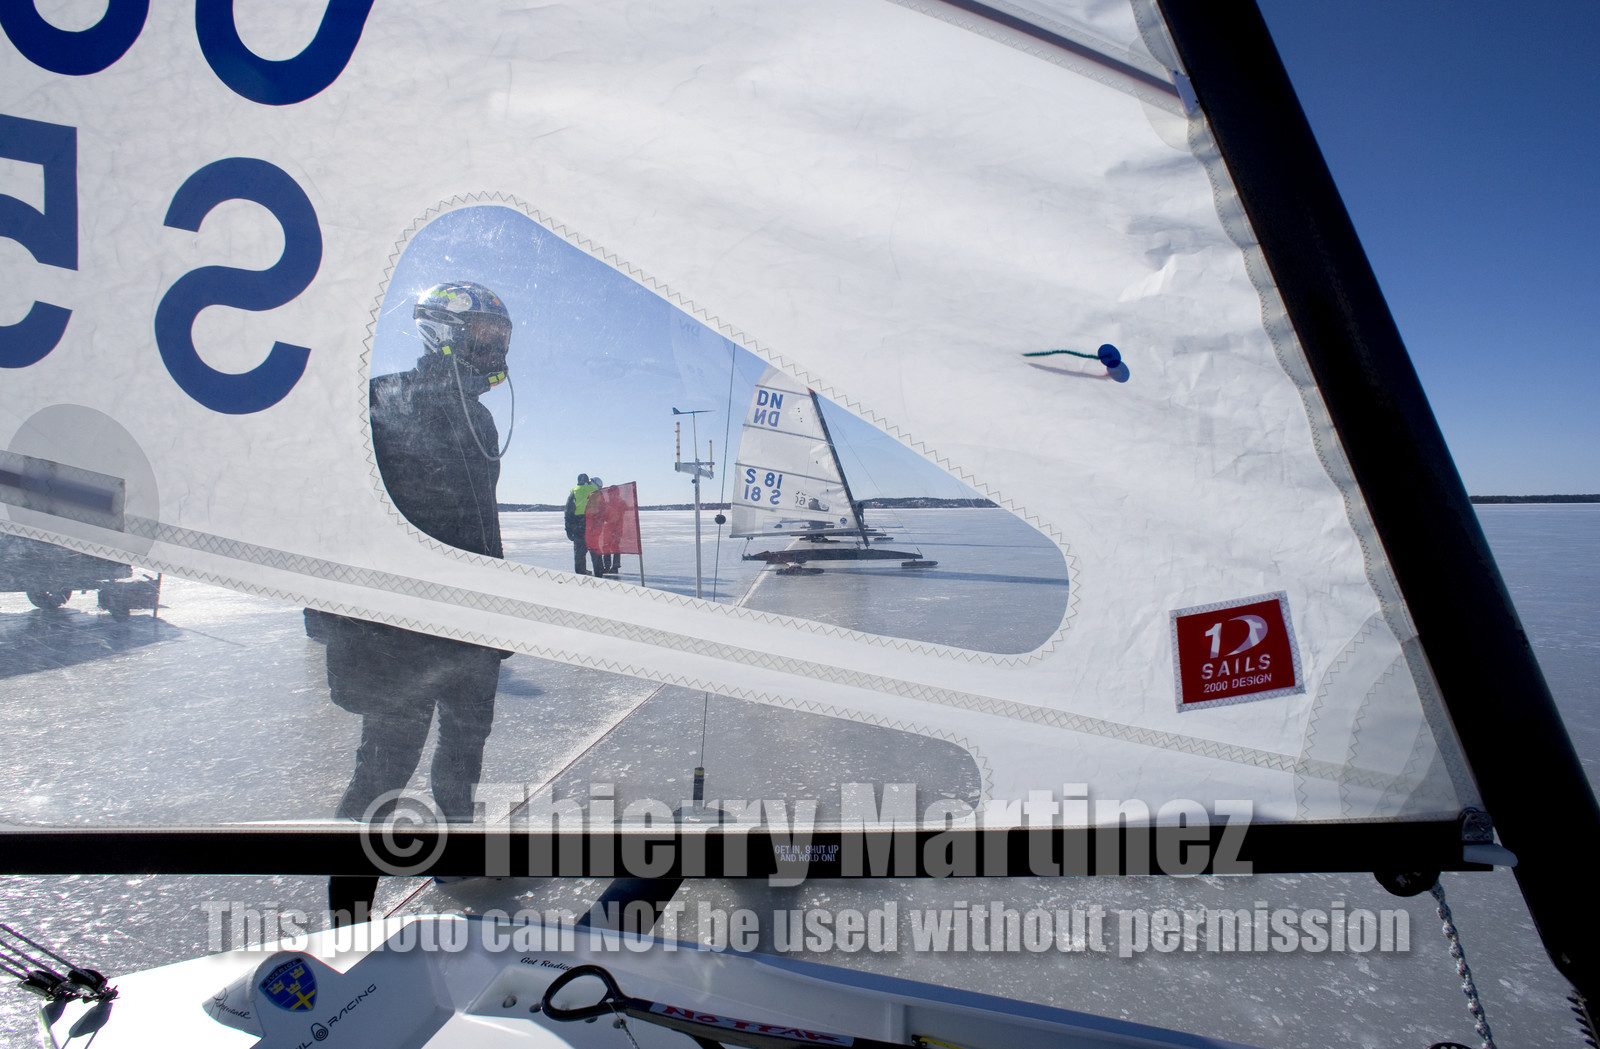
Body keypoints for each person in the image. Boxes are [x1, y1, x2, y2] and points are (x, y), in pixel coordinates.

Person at [324, 281, 514, 826]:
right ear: (443, 334)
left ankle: (459, 855)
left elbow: (483, 526)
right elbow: (341, 520)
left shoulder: (480, 420)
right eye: (483, 335)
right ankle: (348, 904)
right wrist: (332, 619)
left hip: (471, 629)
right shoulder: (385, 401)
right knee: (383, 774)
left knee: (464, 759)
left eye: (502, 338)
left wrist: (498, 621)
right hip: (402, 638)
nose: (496, 351)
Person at [565, 472, 598, 574]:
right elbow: (603, 506)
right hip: (593, 523)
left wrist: (568, 530)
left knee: (579, 550)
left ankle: (581, 571)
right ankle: (599, 571)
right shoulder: (594, 490)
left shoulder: (574, 492)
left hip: (578, 524)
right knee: (595, 549)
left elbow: (568, 512)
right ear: (588, 481)